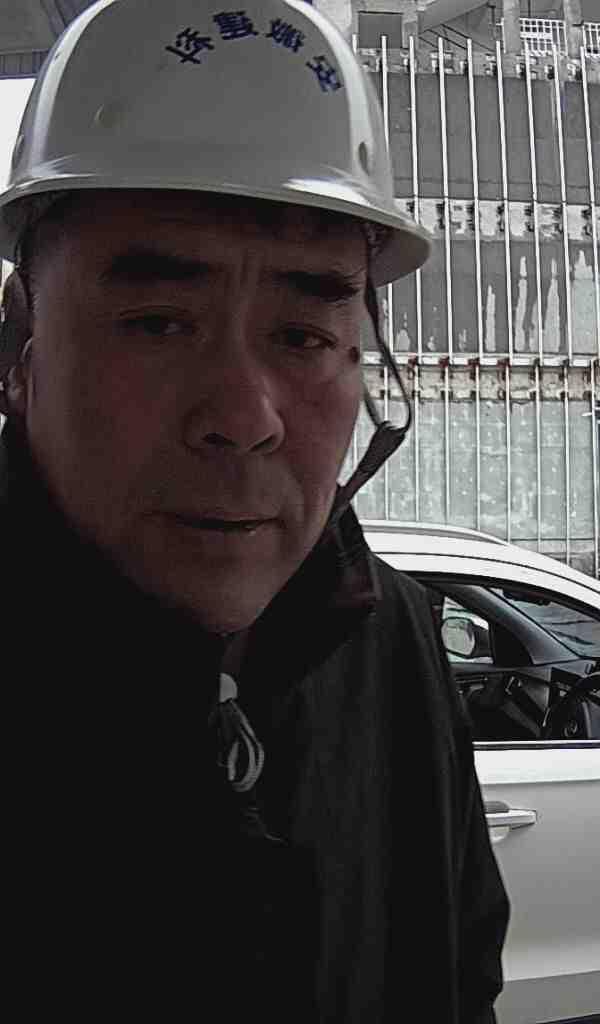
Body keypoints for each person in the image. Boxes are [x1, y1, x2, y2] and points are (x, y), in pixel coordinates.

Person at [0, 1, 509, 1020]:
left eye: (304, 335)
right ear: (19, 349)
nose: (243, 419)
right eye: (157, 322)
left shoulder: (392, 642)